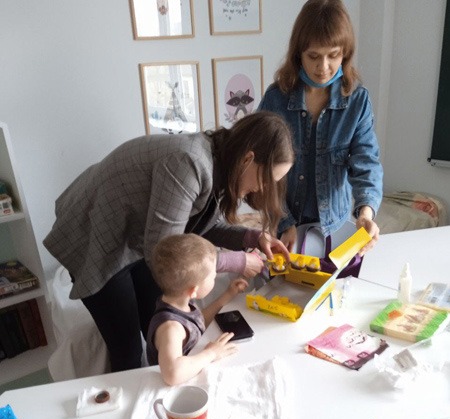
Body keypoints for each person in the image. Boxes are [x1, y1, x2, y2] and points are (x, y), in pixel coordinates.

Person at [43, 111, 294, 373]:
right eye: (267, 180)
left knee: (159, 328)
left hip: (139, 238)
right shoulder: (190, 163)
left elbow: (202, 226)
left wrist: (252, 237)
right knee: (128, 350)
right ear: (248, 159)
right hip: (97, 231)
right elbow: (168, 252)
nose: (264, 189)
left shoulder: (219, 166)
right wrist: (238, 261)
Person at [258, 0, 383, 255]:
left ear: (345, 53)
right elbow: (262, 170)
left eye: (333, 55)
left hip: (335, 225)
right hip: (285, 224)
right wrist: (285, 221)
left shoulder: (357, 101)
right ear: (298, 54)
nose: (323, 67)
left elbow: (367, 164)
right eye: (313, 56)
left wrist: (365, 213)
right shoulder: (275, 99)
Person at [147, 233, 248, 385]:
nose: (214, 278)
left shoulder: (180, 302)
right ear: (193, 290)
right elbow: (172, 375)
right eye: (213, 277)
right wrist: (211, 353)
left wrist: (227, 295)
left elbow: (197, 322)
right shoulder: (171, 328)